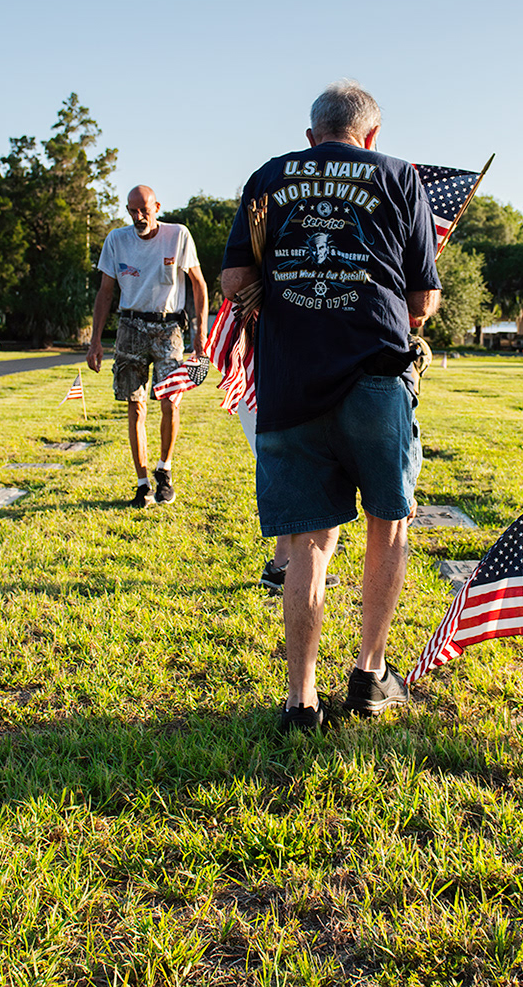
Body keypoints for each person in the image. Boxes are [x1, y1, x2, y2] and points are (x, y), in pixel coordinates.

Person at [221, 80, 441, 733]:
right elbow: (423, 302)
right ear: (371, 136)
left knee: (311, 542)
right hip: (376, 376)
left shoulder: (268, 176)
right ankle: (370, 675)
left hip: (291, 382)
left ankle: (301, 701)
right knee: (387, 522)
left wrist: (285, 299)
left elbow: (234, 281)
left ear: (312, 136)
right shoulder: (400, 176)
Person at [87, 185, 209, 507]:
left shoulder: (177, 235)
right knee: (136, 405)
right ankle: (142, 484)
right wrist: (95, 341)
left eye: (144, 209)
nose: (138, 216)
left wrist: (199, 334)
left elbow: (199, 284)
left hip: (169, 328)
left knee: (170, 403)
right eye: (132, 210)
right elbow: (105, 292)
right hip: (129, 328)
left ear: (157, 206)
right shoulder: (116, 240)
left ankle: (164, 472)